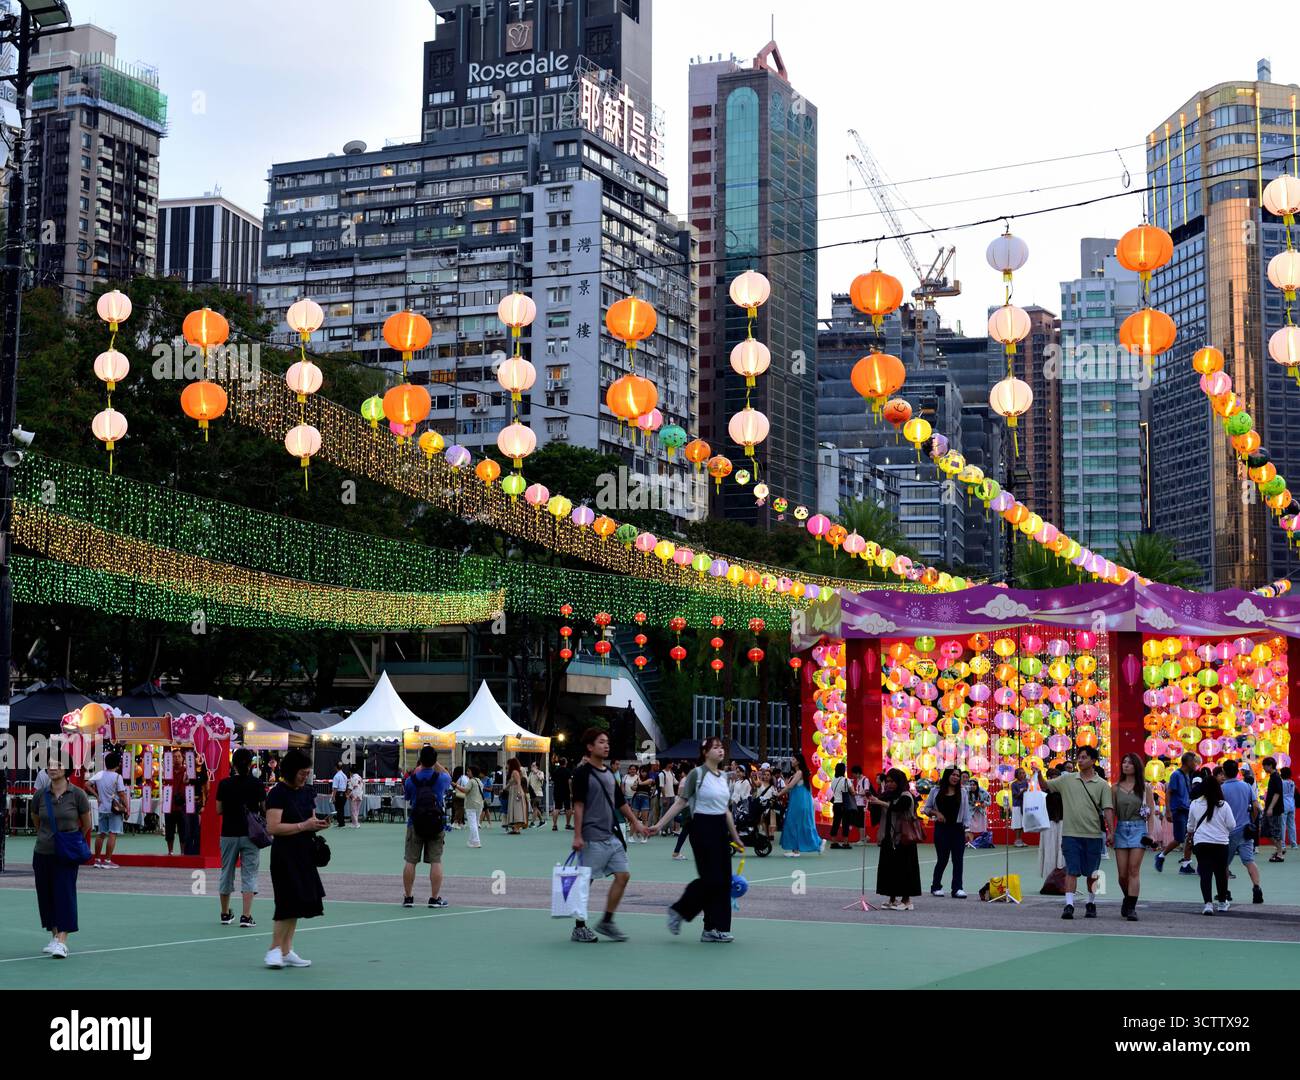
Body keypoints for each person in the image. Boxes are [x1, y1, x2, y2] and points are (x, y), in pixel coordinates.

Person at [652, 736, 746, 943]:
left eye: (721, 747)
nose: (720, 751)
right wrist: (659, 825)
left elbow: (726, 810)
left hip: (720, 828)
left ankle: (713, 928)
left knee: (723, 882)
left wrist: (736, 837)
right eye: (715, 747)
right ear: (705, 752)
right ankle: (679, 911)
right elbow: (681, 802)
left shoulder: (723, 777)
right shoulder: (697, 774)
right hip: (701, 827)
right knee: (711, 879)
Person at [569, 728, 650, 942]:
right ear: (590, 747)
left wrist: (636, 823)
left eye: (607, 742)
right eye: (601, 742)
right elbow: (578, 806)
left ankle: (606, 921)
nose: (606, 745)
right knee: (586, 881)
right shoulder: (582, 773)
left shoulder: (608, 773)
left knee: (623, 876)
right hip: (591, 836)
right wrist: (577, 836)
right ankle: (579, 927)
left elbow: (620, 802)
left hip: (611, 835)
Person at [264, 748, 329, 968]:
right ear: (291, 771)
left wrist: (317, 824)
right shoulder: (277, 793)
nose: (305, 776)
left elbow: (310, 820)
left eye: (307, 772)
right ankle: (273, 949)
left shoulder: (307, 792)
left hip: (304, 853)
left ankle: (286, 950)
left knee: (298, 902)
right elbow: (272, 827)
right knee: (285, 901)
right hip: (284, 854)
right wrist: (304, 826)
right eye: (302, 772)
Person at [1040, 745, 1114, 919]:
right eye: (1079, 757)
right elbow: (1045, 786)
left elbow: (1108, 809)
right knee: (1071, 870)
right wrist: (1038, 775)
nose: (1080, 760)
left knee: (1093, 873)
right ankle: (1069, 905)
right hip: (1071, 834)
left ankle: (1091, 902)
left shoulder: (1103, 785)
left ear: (1093, 761)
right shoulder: (1067, 780)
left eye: (1084, 757)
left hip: (1094, 835)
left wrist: (1111, 831)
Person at [32, 763, 92, 959]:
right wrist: (47, 836)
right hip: (42, 851)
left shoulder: (78, 795)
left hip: (66, 854)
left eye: (58, 765)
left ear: (67, 770)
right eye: (49, 765)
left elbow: (86, 824)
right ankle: (55, 936)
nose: (52, 768)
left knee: (64, 895)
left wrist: (69, 840)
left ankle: (63, 940)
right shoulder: (40, 795)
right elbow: (36, 820)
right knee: (46, 895)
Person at [216, 747, 266, 928]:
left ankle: (224, 913)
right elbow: (264, 808)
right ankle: (246, 916)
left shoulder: (224, 784)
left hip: (228, 832)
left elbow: (218, 810)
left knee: (226, 871)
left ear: (233, 764)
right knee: (249, 873)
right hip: (251, 834)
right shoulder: (257, 784)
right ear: (251, 764)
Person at [402, 746, 451, 907]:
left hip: (415, 822)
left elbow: (407, 797)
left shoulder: (411, 780)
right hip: (435, 823)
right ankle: (434, 898)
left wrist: (417, 769)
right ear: (435, 760)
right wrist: (436, 764)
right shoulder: (441, 778)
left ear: (420, 759)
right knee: (436, 861)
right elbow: (448, 776)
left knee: (410, 861)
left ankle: (408, 897)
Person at [868, 768, 922, 910]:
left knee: (905, 868)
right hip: (889, 837)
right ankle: (892, 898)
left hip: (904, 839)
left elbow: (897, 808)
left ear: (899, 781)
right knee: (889, 868)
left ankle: (906, 901)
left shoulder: (906, 795)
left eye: (893, 781)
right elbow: (878, 812)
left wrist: (878, 802)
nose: (890, 784)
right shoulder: (886, 795)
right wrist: (872, 802)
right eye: (888, 781)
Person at [1110, 752, 1156, 922]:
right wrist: (1110, 830)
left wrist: (1150, 833)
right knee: (1122, 874)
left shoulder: (1145, 788)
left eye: (1129, 763)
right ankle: (1128, 898)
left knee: (1133, 870)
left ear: (1136, 766)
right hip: (1121, 827)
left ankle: (1131, 908)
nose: (1126, 765)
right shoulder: (1114, 788)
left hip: (1139, 829)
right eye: (1124, 762)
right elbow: (1111, 811)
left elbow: (1150, 813)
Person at [1188, 773, 1235, 915]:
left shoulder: (1195, 804)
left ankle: (1208, 904)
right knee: (1221, 873)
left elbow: (1190, 827)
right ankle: (1222, 902)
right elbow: (1232, 825)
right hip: (1220, 843)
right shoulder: (1223, 805)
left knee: (1205, 873)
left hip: (1201, 843)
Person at [1220, 759, 1264, 904]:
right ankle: (1256, 887)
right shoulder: (1246, 786)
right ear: (1237, 771)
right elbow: (1256, 807)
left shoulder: (1222, 789)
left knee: (1224, 863)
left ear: (1224, 772)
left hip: (1228, 832)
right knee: (1249, 860)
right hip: (1246, 830)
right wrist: (1251, 820)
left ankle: (1225, 892)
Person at [923, 766, 969, 898]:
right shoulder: (935, 791)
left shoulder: (963, 792)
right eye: (953, 775)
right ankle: (936, 886)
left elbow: (966, 812)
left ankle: (957, 888)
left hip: (958, 829)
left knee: (958, 859)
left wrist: (967, 830)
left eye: (957, 775)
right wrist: (936, 813)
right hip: (942, 829)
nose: (956, 777)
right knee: (942, 859)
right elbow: (926, 809)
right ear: (947, 775)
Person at [1156, 751, 1199, 875]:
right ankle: (1161, 856)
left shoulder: (1186, 775)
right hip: (1179, 810)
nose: (1196, 764)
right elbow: (1169, 792)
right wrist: (1168, 811)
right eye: (1194, 761)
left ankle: (1186, 864)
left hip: (1187, 809)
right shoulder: (1176, 775)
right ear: (1188, 762)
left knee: (1189, 837)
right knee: (1179, 838)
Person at [780, 751, 823, 857]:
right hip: (797, 802)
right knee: (795, 823)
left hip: (799, 803)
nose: (791, 761)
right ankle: (795, 850)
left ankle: (818, 842)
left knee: (797, 823)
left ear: (798, 762)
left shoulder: (799, 773)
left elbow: (790, 786)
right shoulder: (798, 773)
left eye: (793, 759)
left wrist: (778, 794)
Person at [89, 752, 128, 869]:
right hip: (114, 809)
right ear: (117, 764)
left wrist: (97, 795)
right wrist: (126, 807)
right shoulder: (117, 777)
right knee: (113, 833)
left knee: (101, 834)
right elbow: (121, 794)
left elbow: (87, 784)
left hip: (102, 808)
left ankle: (96, 859)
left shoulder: (99, 774)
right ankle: (107, 860)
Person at [164, 748, 188, 856]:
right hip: (169, 805)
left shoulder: (187, 772)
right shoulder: (167, 772)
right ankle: (170, 851)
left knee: (183, 830)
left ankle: (183, 852)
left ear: (183, 758)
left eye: (179, 756)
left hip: (183, 806)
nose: (177, 759)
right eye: (174, 757)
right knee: (169, 830)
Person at [1262, 756, 1286, 864]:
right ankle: (1279, 849)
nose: (1263, 768)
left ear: (1270, 765)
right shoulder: (1273, 776)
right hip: (1270, 808)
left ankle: (1280, 853)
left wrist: (1271, 807)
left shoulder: (1276, 777)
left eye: (1264, 766)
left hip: (1274, 809)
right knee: (1266, 831)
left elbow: (1277, 793)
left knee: (1275, 831)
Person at [828, 763, 854, 849]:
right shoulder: (847, 780)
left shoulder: (833, 781)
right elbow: (853, 792)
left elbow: (834, 791)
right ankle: (845, 842)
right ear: (843, 770)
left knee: (835, 823)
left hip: (836, 804)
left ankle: (833, 842)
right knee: (845, 823)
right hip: (845, 804)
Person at [460, 766, 484, 848]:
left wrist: (456, 786)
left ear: (472, 772)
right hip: (479, 804)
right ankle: (471, 841)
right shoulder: (479, 781)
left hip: (471, 804)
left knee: (472, 824)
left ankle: (476, 841)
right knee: (475, 823)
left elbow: (465, 790)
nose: (467, 773)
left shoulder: (471, 781)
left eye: (469, 771)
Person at [504, 758, 528, 835]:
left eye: (508, 764)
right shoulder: (514, 772)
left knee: (517, 809)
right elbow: (510, 783)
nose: (507, 766)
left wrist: (518, 792)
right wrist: (504, 789)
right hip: (513, 792)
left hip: (516, 792)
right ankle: (515, 828)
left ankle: (516, 828)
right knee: (514, 809)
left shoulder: (515, 772)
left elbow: (518, 783)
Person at [551, 756, 573, 831]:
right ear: (565, 763)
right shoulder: (568, 771)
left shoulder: (555, 771)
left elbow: (553, 780)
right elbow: (569, 782)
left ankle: (554, 825)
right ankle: (568, 824)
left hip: (557, 791)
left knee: (557, 808)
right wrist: (571, 792)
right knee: (568, 808)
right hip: (566, 791)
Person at [1009, 768, 1030, 847]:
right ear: (1016, 775)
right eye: (1020, 773)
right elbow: (1015, 796)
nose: (1022, 775)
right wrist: (1022, 791)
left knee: (1022, 824)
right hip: (1017, 806)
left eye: (1023, 773)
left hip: (1024, 805)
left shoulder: (1026, 783)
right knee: (1017, 823)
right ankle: (1017, 840)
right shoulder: (1014, 784)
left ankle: (1020, 840)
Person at [657, 759, 678, 835]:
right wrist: (665, 798)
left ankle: (670, 830)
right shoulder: (662, 774)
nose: (672, 764)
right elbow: (661, 786)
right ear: (667, 764)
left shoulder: (671, 773)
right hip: (665, 797)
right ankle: (662, 830)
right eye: (671, 763)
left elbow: (675, 782)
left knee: (671, 814)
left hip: (672, 796)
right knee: (664, 814)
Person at [527, 761, 546, 828]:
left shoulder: (541, 772)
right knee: (535, 808)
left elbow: (541, 778)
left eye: (533, 765)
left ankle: (532, 823)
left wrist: (536, 773)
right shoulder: (530, 774)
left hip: (538, 793)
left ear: (537, 766)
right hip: (532, 793)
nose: (532, 766)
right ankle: (541, 821)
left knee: (535, 807)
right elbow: (528, 783)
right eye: (532, 765)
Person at [1282, 766, 1296, 852]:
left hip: (1284, 804)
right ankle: (1294, 844)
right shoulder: (1292, 782)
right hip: (1291, 804)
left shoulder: (1281, 782)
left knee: (1282, 825)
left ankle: (1282, 844)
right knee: (1292, 825)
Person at [331, 763, 348, 828]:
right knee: (341, 809)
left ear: (336, 768)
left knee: (338, 809)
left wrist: (333, 796)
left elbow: (335, 787)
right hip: (343, 793)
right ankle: (342, 822)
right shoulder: (344, 775)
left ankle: (340, 823)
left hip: (338, 793)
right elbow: (346, 785)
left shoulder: (336, 776)